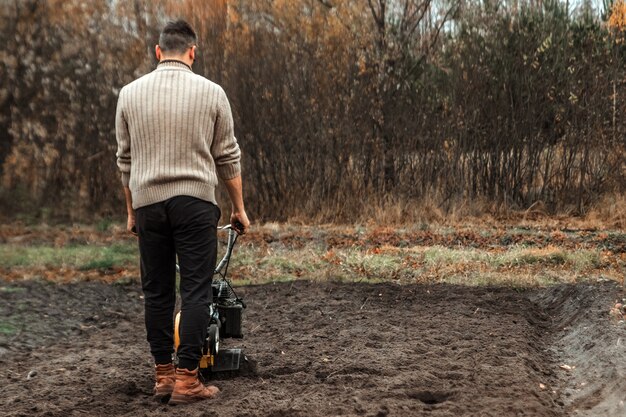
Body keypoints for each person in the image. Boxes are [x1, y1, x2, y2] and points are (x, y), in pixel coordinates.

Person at [115, 20, 250, 405]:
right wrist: (239, 209)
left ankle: (162, 377)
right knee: (195, 291)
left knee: (156, 293)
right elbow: (227, 156)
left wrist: (131, 213)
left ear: (158, 52)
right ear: (193, 51)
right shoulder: (212, 92)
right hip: (195, 203)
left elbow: (125, 160)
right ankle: (188, 380)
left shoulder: (129, 94)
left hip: (148, 205)